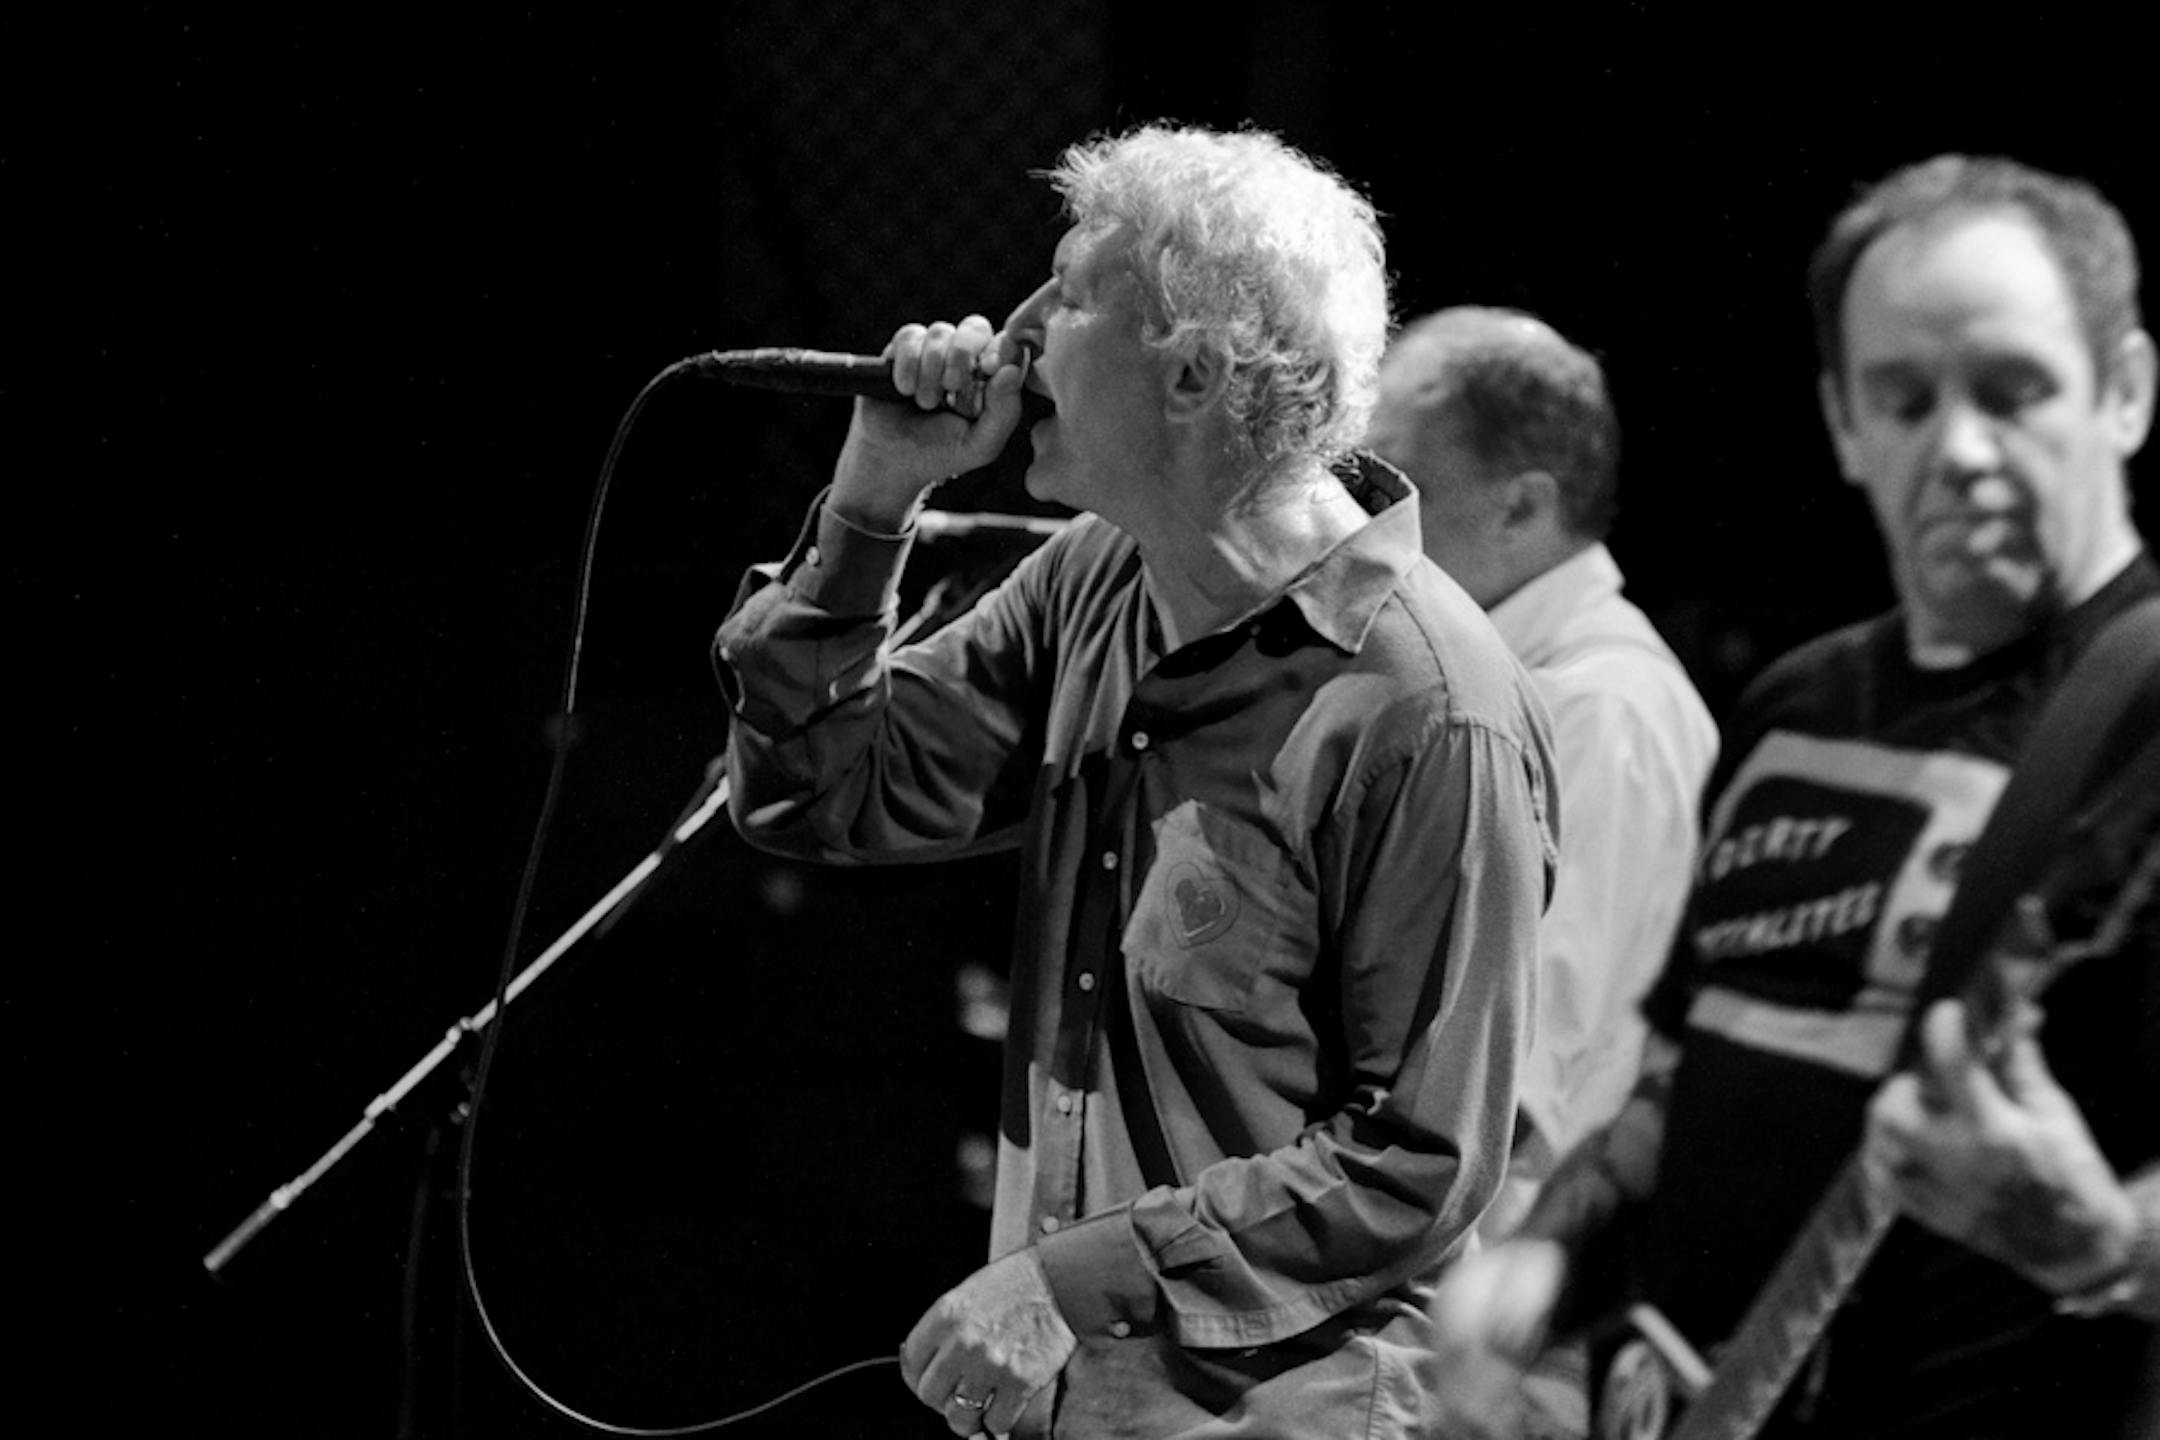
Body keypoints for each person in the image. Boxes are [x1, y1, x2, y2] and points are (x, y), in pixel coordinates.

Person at [712, 124, 1560, 1438]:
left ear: (1195, 375)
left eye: (1070, 295)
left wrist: (1078, 1280)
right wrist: (874, 498)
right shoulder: (1098, 576)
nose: (1012, 334)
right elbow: (819, 792)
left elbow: (1418, 1164)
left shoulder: (1434, 713)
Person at [1430, 155, 2160, 1439]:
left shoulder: (2140, 716)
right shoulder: (1797, 705)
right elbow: (1675, 1076)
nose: (1962, 448)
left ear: (2128, 393)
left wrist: (2107, 1245)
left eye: (2014, 389)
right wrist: (1554, 1253)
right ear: (1842, 423)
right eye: (1906, 398)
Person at [1367, 308, 1719, 1241]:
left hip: (1487, 1308)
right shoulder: (1497, 687)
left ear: (1522, 506)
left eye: (1398, 489)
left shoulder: (1603, 712)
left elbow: (1512, 1082)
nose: (1362, 526)